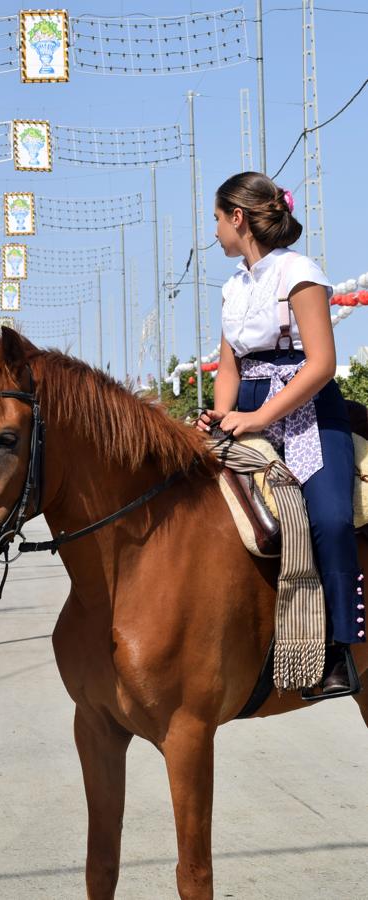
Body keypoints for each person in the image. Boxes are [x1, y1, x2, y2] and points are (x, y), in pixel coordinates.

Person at [197, 171, 365, 693]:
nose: (216, 231)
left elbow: (321, 365)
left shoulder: (300, 272)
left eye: (218, 220)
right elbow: (229, 365)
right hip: (246, 408)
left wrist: (260, 417)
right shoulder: (232, 288)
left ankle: (338, 648)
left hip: (307, 410)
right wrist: (222, 414)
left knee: (333, 518)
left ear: (238, 217)